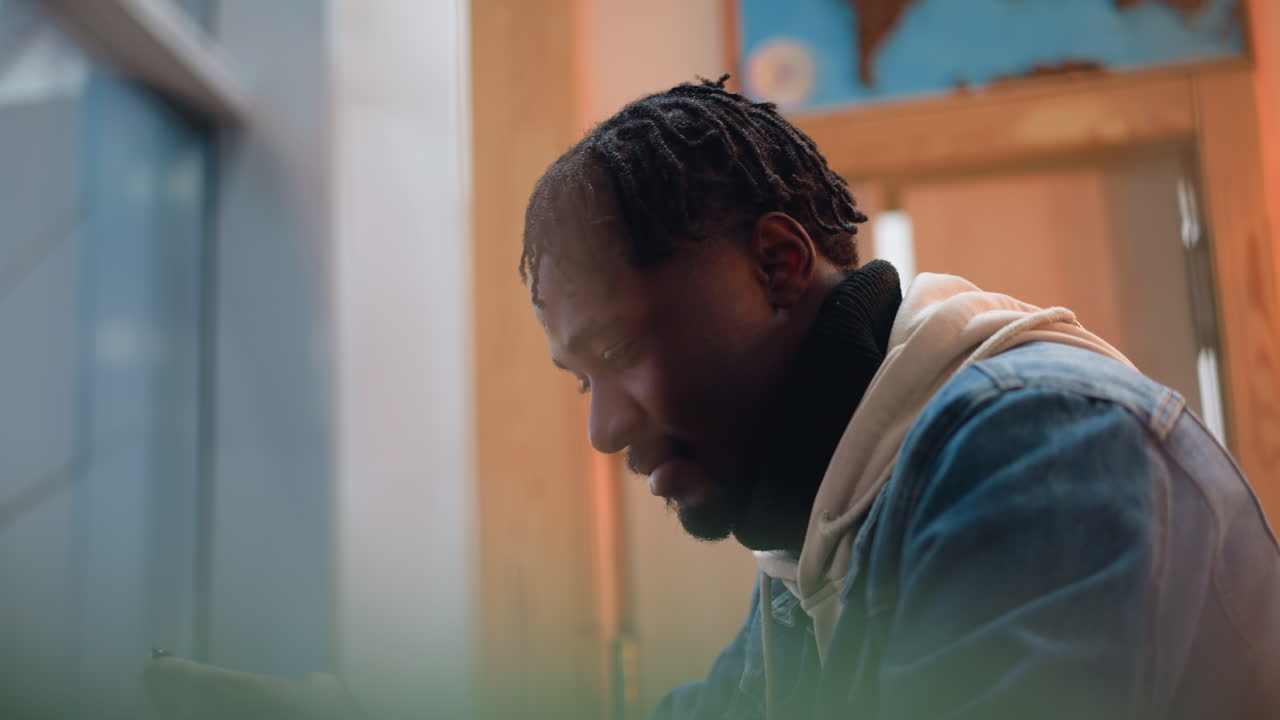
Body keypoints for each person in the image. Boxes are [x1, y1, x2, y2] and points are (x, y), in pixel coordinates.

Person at [147, 76, 1280, 719]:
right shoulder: (819, 540)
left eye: (617, 351)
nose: (604, 428)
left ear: (776, 265)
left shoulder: (1033, 446)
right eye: (580, 379)